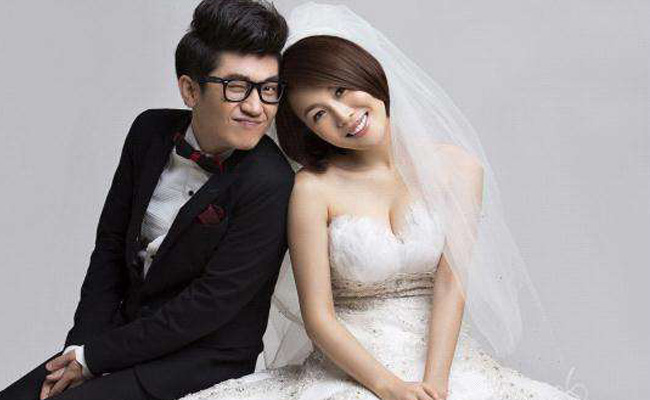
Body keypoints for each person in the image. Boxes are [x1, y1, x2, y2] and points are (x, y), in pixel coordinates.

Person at [177, 3, 585, 400]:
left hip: (443, 364)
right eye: (318, 114)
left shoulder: (459, 169)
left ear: (365, 73)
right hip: (353, 369)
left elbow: (451, 287)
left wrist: (434, 387)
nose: (343, 115)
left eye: (341, 90)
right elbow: (318, 318)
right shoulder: (313, 189)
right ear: (309, 131)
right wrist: (390, 389)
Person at [0, 1, 293, 399]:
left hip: (198, 361)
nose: (257, 108)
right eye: (237, 87)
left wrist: (95, 358)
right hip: (121, 337)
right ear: (190, 89)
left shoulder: (271, 180)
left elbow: (209, 305)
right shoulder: (149, 131)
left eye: (269, 89)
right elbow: (109, 248)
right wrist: (79, 347)